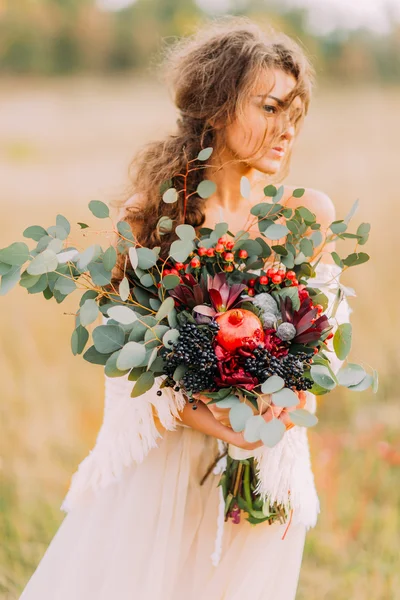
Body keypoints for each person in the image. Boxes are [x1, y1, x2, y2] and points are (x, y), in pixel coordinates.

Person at [19, 16, 350, 600]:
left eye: (294, 113)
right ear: (218, 109)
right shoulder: (150, 216)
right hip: (164, 465)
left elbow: (318, 347)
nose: (287, 130)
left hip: (263, 475)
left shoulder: (306, 216)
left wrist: (275, 412)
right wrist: (209, 418)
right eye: (270, 109)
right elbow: (129, 364)